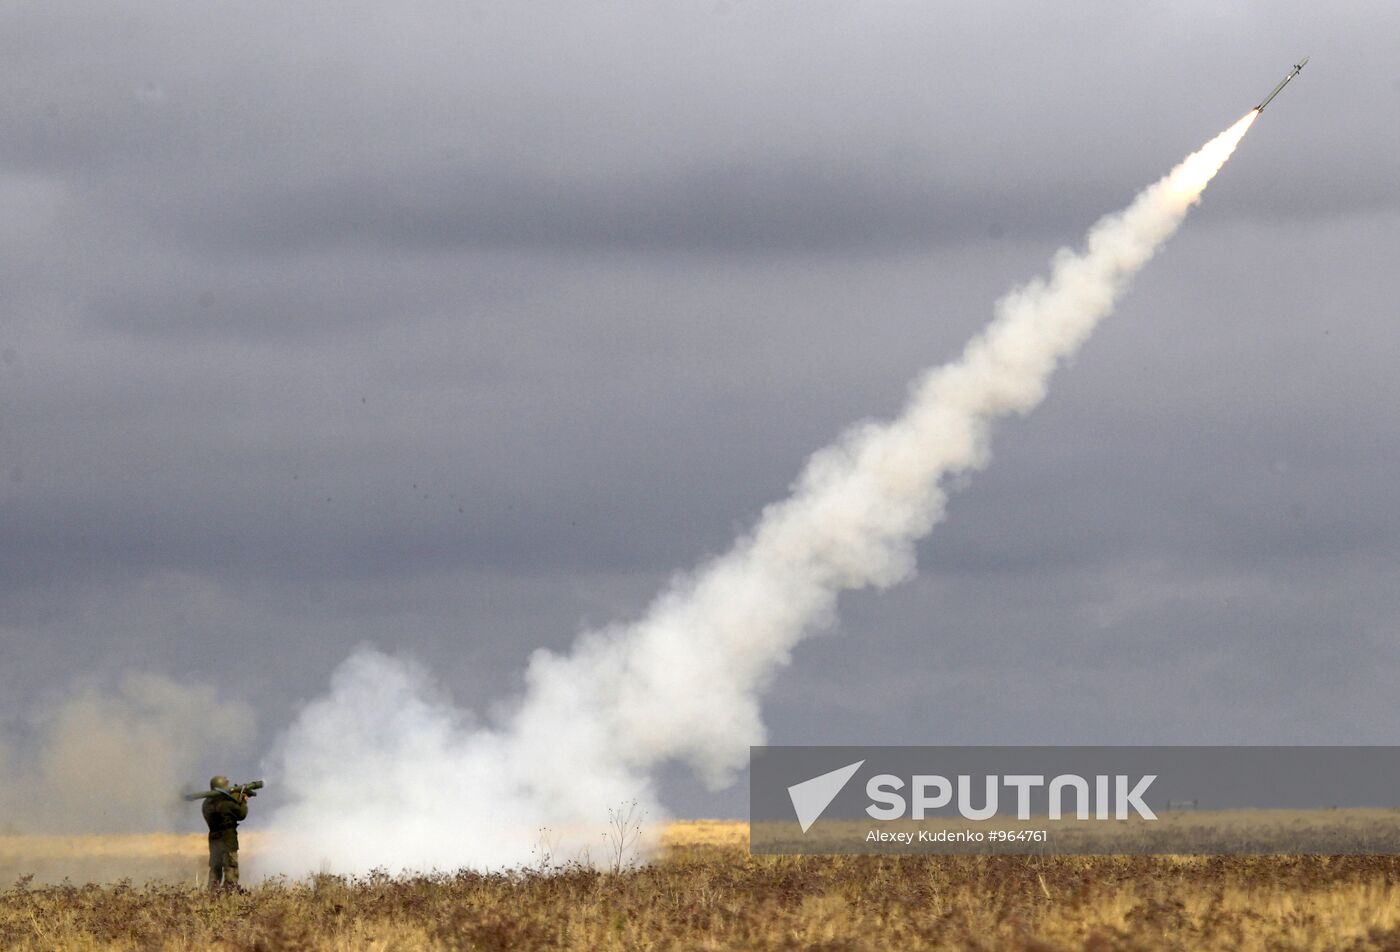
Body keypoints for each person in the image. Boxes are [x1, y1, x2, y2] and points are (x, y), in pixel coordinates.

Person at [202, 775, 249, 890]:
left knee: (215, 867)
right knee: (230, 866)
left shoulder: (206, 803)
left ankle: (212, 891)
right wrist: (243, 801)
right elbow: (242, 814)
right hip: (228, 839)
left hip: (214, 839)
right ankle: (230, 891)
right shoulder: (228, 803)